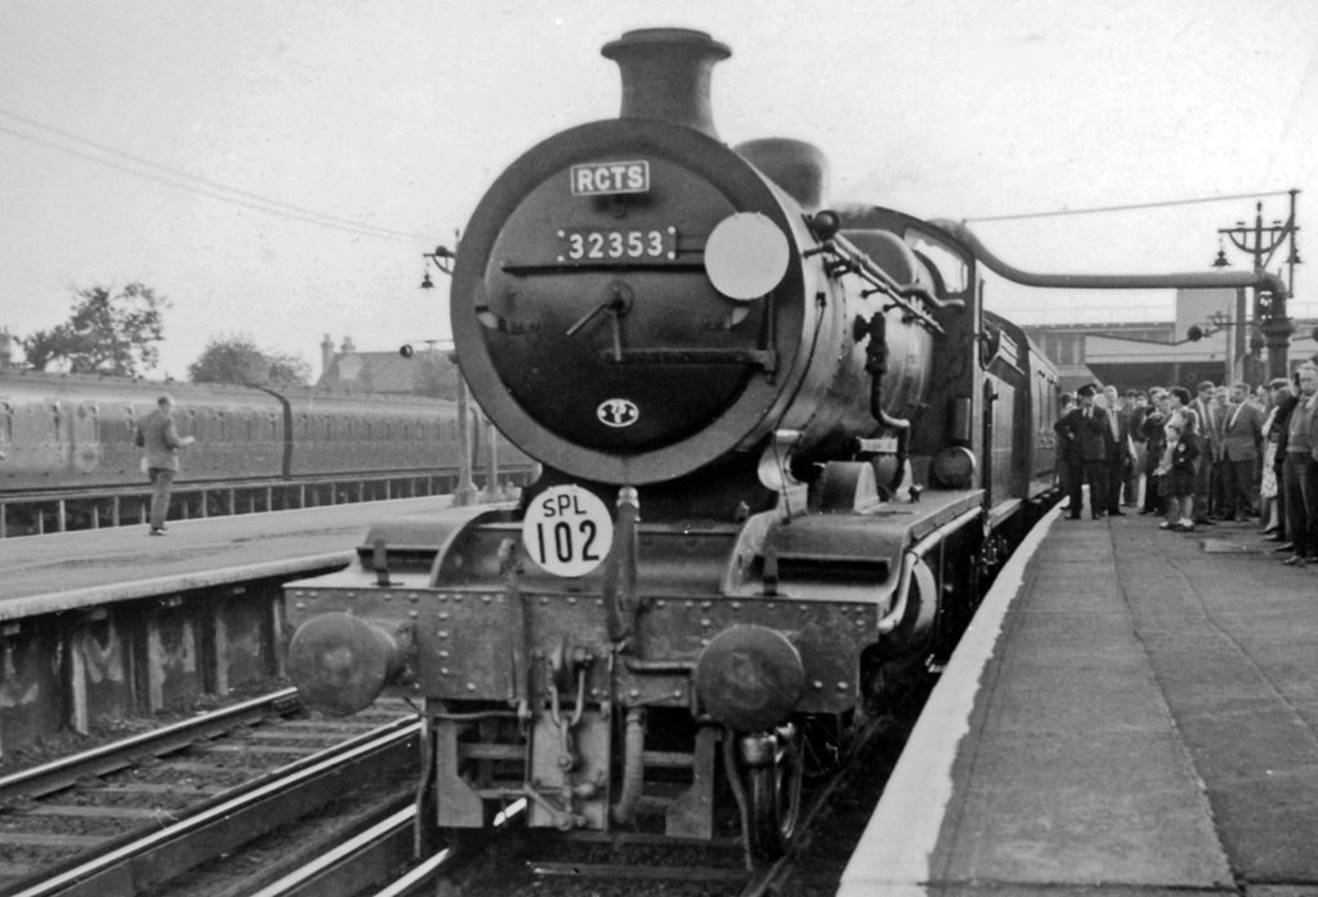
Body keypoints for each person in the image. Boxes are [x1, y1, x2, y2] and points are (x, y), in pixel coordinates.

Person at [137, 394, 196, 535]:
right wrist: (188, 440)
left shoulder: (143, 420)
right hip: (166, 464)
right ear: (165, 406)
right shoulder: (167, 420)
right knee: (162, 495)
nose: (173, 410)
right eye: (172, 407)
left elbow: (138, 442)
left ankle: (157, 524)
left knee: (157, 494)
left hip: (151, 464)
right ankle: (156, 527)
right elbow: (173, 442)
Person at [1281, 365, 1318, 566]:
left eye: (1310, 379)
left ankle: (1312, 550)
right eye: (1302, 380)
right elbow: (1281, 417)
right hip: (1292, 455)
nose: (1305, 384)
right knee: (1294, 506)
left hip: (1309, 457)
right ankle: (1299, 550)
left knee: (1311, 506)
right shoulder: (1299, 402)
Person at [1055, 383, 1110, 519]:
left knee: (1095, 485)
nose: (1090, 400)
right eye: (1087, 397)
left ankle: (1095, 511)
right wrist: (1069, 435)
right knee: (1075, 484)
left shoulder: (1100, 412)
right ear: (1081, 398)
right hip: (1077, 453)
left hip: (1095, 454)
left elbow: (1101, 429)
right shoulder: (1074, 414)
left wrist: (1091, 417)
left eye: (1092, 397)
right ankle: (1075, 512)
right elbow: (1058, 425)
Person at [1219, 382, 1264, 521]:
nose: (1235, 396)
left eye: (1238, 393)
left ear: (1246, 394)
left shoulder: (1252, 410)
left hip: (1244, 451)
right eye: (1234, 393)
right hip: (1227, 450)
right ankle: (1229, 510)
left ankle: (1243, 511)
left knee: (1243, 483)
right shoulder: (1230, 409)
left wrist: (1248, 445)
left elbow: (1258, 431)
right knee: (1228, 482)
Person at [1156, 417, 1198, 532]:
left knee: (1186, 495)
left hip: (1184, 471)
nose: (1168, 434)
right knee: (1176, 495)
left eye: (1172, 431)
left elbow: (1194, 451)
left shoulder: (1186, 440)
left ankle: (1187, 519)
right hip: (1175, 472)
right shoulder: (1169, 443)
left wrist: (1182, 460)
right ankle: (1176, 519)